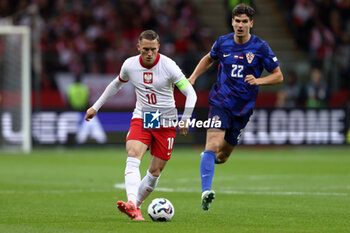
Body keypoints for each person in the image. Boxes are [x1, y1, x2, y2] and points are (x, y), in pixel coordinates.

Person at [84, 30, 197, 220]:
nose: (149, 53)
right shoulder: (130, 65)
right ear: (139, 48)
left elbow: (190, 93)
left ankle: (135, 205)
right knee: (133, 153)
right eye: (145, 49)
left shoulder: (169, 66)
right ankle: (130, 203)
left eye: (153, 49)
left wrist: (186, 117)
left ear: (158, 47)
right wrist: (95, 107)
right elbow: (115, 85)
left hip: (166, 120)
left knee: (154, 172)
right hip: (143, 117)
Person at [188, 4, 283, 211]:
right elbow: (208, 59)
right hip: (220, 103)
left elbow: (278, 75)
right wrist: (193, 77)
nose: (240, 25)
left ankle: (208, 160)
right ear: (232, 22)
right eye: (237, 21)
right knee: (212, 144)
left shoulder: (260, 47)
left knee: (222, 155)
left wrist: (260, 81)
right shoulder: (222, 43)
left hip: (243, 109)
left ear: (251, 23)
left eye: (244, 21)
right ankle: (206, 192)